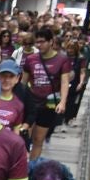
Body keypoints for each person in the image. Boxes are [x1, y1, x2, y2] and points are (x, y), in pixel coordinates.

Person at [24, 28, 72, 157]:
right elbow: (23, 82)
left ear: (51, 42)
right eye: (37, 42)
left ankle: (32, 169)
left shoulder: (62, 60)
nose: (39, 45)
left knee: (38, 140)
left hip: (49, 103)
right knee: (24, 138)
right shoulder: (30, 59)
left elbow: (64, 82)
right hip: (31, 101)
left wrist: (62, 102)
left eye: (42, 42)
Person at [0, 59, 32, 132]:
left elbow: (16, 132)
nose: (6, 80)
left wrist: (23, 128)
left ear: (17, 78)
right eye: (3, 76)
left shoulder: (18, 104)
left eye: (11, 76)